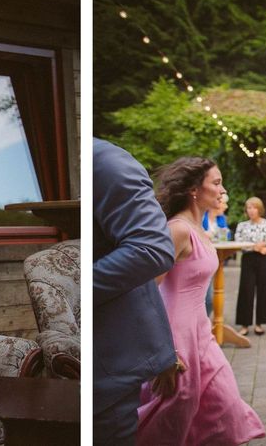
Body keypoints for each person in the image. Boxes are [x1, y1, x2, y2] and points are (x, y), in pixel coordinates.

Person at [136, 157, 265, 445]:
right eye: (216, 183)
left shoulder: (201, 230)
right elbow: (147, 291)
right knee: (174, 411)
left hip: (202, 334)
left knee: (224, 404)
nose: (222, 190)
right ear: (195, 189)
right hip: (175, 334)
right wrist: (162, 351)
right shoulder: (177, 230)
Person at [92, 139, 179, 444]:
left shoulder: (104, 161)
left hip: (110, 364)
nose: (222, 192)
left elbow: (150, 250)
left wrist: (74, 294)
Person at [234, 196, 266, 337]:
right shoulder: (242, 226)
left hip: (265, 259)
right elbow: (238, 242)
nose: (251, 211)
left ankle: (260, 323)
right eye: (249, 208)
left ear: (259, 209)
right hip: (248, 259)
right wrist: (255, 247)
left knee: (264, 289)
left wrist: (265, 245)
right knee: (246, 290)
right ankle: (244, 324)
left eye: (254, 207)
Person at [203, 193, 230, 316]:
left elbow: (227, 236)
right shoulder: (202, 217)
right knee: (207, 298)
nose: (226, 206)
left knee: (209, 298)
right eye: (224, 203)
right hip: (202, 258)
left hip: (216, 257)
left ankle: (206, 321)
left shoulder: (221, 219)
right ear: (216, 204)